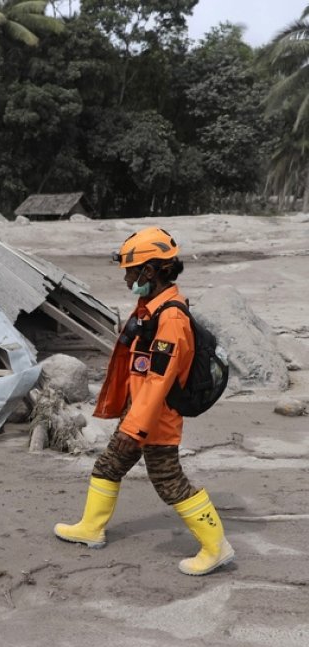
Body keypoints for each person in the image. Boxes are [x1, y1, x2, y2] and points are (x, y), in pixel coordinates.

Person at [53, 227, 235, 576]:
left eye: (130, 271)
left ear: (149, 271)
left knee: (169, 480)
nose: (126, 278)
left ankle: (216, 547)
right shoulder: (151, 311)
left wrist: (134, 428)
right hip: (140, 414)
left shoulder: (170, 319)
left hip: (154, 420)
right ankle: (91, 528)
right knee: (108, 466)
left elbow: (158, 381)